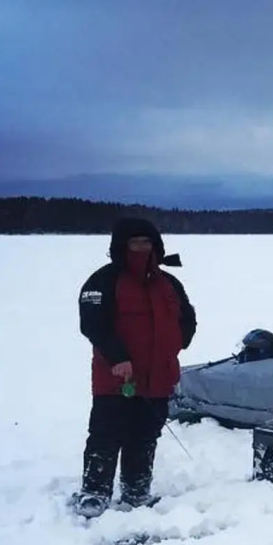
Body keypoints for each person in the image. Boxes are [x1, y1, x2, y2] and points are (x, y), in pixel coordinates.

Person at [74, 218, 196, 517]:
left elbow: (187, 318)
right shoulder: (102, 281)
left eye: (147, 241)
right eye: (135, 242)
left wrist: (176, 345)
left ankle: (136, 491)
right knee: (106, 433)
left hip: (159, 376)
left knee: (144, 435)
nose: (142, 247)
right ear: (121, 245)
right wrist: (117, 358)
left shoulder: (169, 282)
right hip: (116, 377)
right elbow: (93, 324)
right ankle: (94, 492)